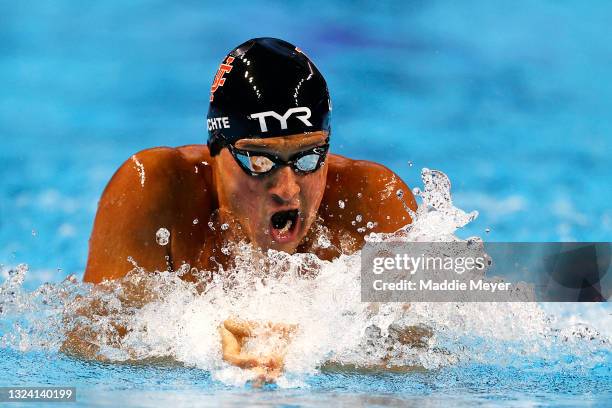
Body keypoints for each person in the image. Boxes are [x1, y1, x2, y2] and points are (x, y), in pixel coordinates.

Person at [81, 38, 417, 377]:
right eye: (259, 160)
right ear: (216, 149)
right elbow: (90, 343)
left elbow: (450, 320)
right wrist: (204, 341)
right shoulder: (151, 187)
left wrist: (313, 344)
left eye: (309, 157)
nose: (287, 190)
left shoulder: (375, 197)